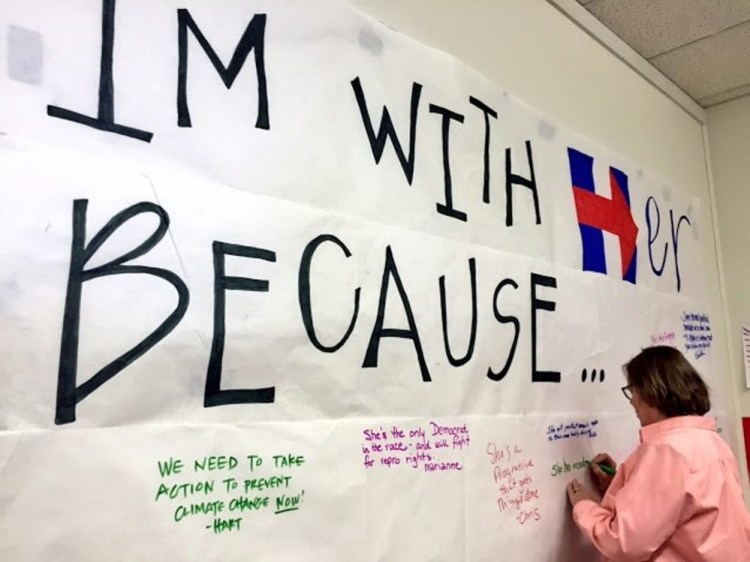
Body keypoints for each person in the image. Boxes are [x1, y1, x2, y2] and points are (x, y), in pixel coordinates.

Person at [566, 345, 750, 561]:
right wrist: (621, 483)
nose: (632, 401)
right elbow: (681, 505)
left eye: (633, 391)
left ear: (651, 392)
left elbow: (624, 543)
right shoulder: (710, 439)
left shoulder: (667, 451)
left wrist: (584, 507)